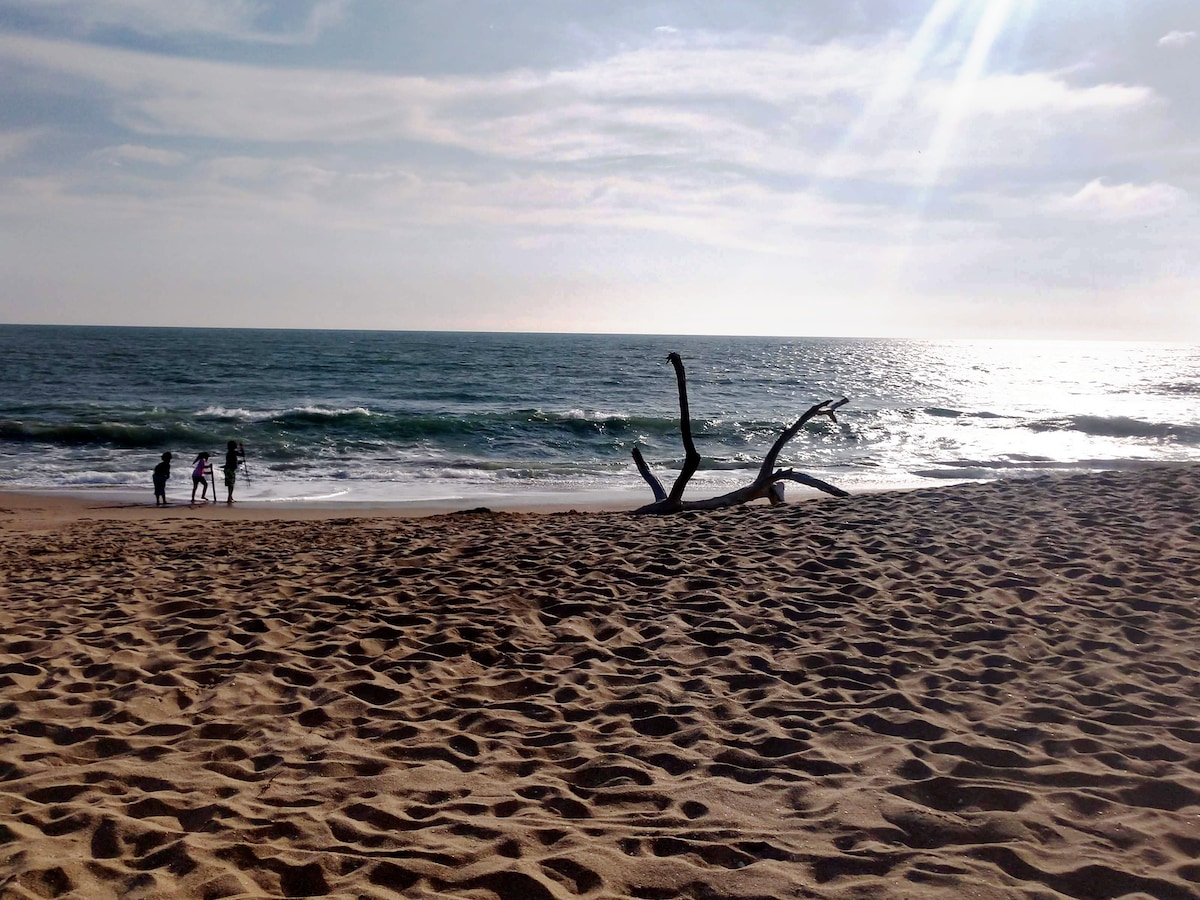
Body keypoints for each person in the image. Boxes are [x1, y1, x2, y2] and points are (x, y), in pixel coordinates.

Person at [222, 441, 245, 505]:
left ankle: (230, 497)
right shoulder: (233, 452)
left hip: (227, 469)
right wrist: (241, 447)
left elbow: (231, 461)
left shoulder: (229, 453)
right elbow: (242, 454)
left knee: (230, 484)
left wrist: (237, 462)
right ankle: (229, 498)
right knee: (231, 485)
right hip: (230, 470)